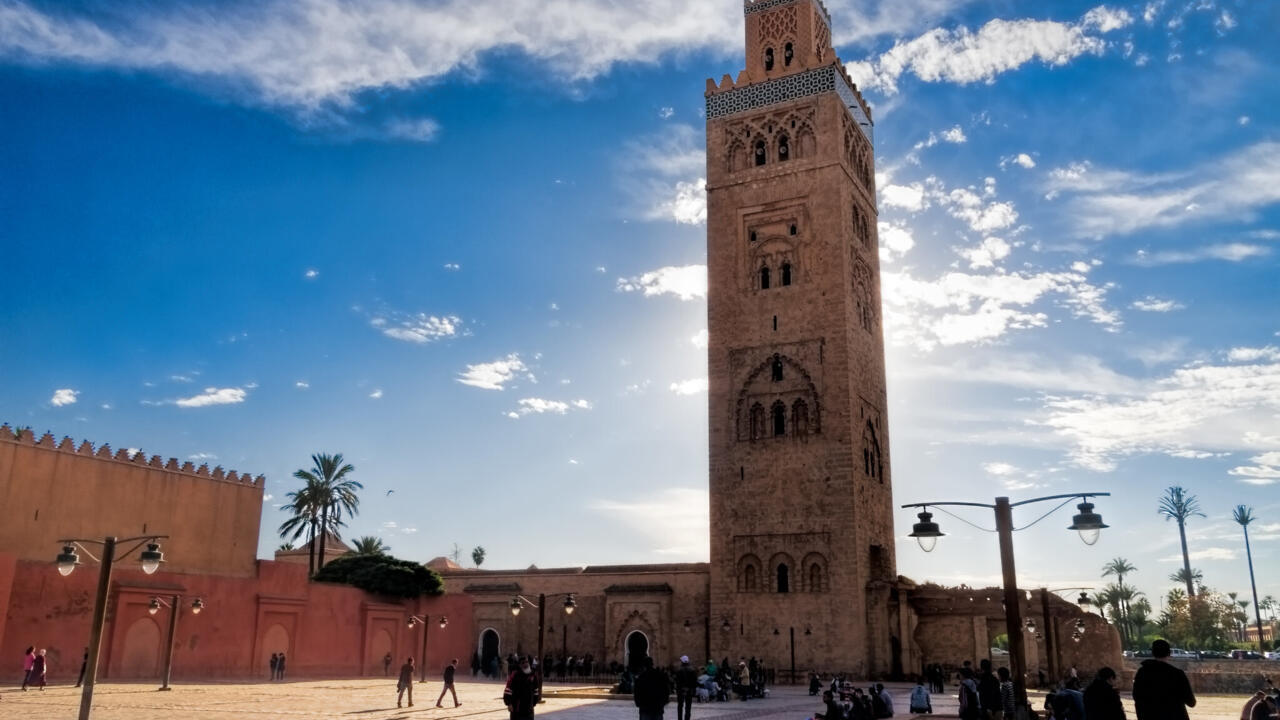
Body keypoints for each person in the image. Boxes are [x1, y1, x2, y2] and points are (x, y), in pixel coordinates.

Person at [1133, 639, 1196, 720]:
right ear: (1169, 653)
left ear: (1153, 653)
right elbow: (1191, 702)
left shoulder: (1142, 673)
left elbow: (1137, 698)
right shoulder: (1177, 674)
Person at [674, 655, 698, 720]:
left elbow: (677, 681)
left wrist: (677, 689)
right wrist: (693, 690)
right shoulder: (692, 670)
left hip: (681, 690)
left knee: (680, 706)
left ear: (682, 662)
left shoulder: (678, 670)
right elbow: (694, 682)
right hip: (689, 690)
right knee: (688, 706)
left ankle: (680, 718)